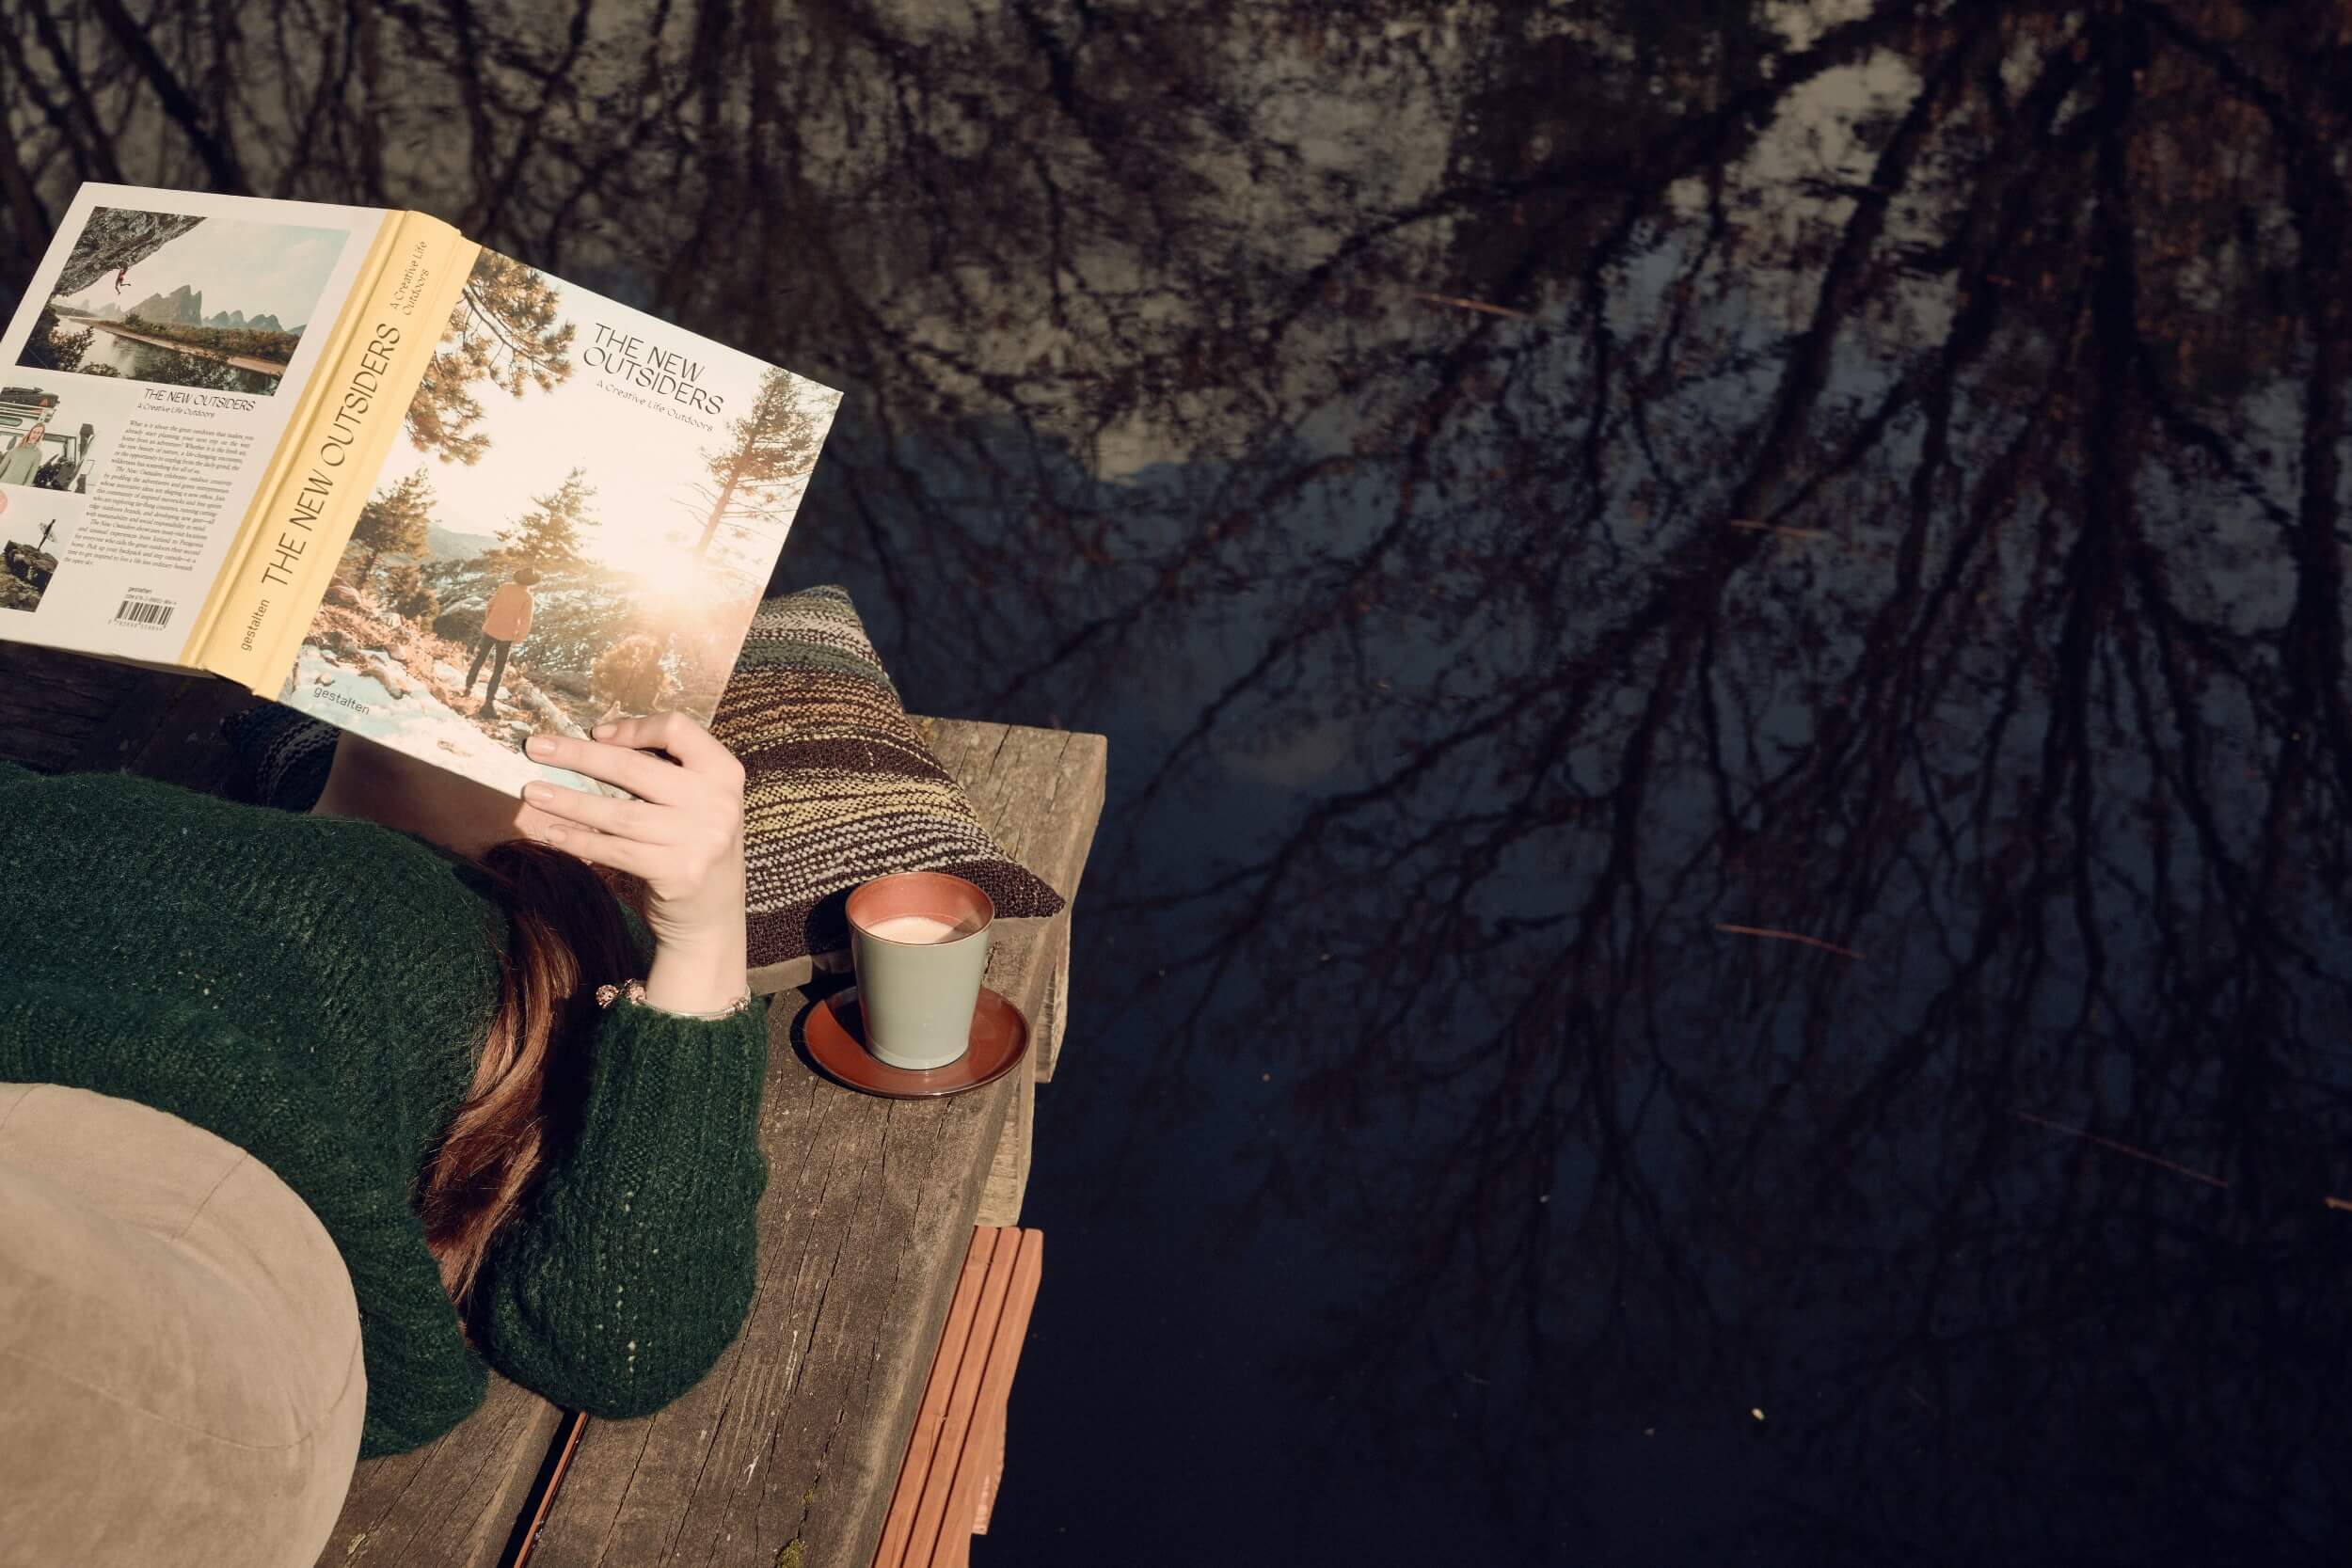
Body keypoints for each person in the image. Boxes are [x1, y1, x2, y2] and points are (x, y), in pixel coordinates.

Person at [0, 710, 765, 1567]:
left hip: (163, 1258)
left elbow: (620, 1339)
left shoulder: (564, 955)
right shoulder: (109, 802)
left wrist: (704, 935)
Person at [464, 564, 539, 718]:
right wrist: (518, 638)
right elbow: (526, 622)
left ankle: (467, 688)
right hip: (506, 636)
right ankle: (488, 704)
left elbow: (490, 605)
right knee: (498, 670)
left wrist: (490, 621)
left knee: (479, 659)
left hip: (490, 628)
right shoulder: (528, 597)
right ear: (531, 583)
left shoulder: (505, 587)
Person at [0, 422, 47, 487]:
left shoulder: (38, 453)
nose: (35, 435)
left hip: (18, 486)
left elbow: (32, 474)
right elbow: (2, 467)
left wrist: (25, 487)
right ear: (30, 432)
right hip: (3, 483)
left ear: (41, 435)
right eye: (34, 432)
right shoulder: (15, 449)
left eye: (38, 433)